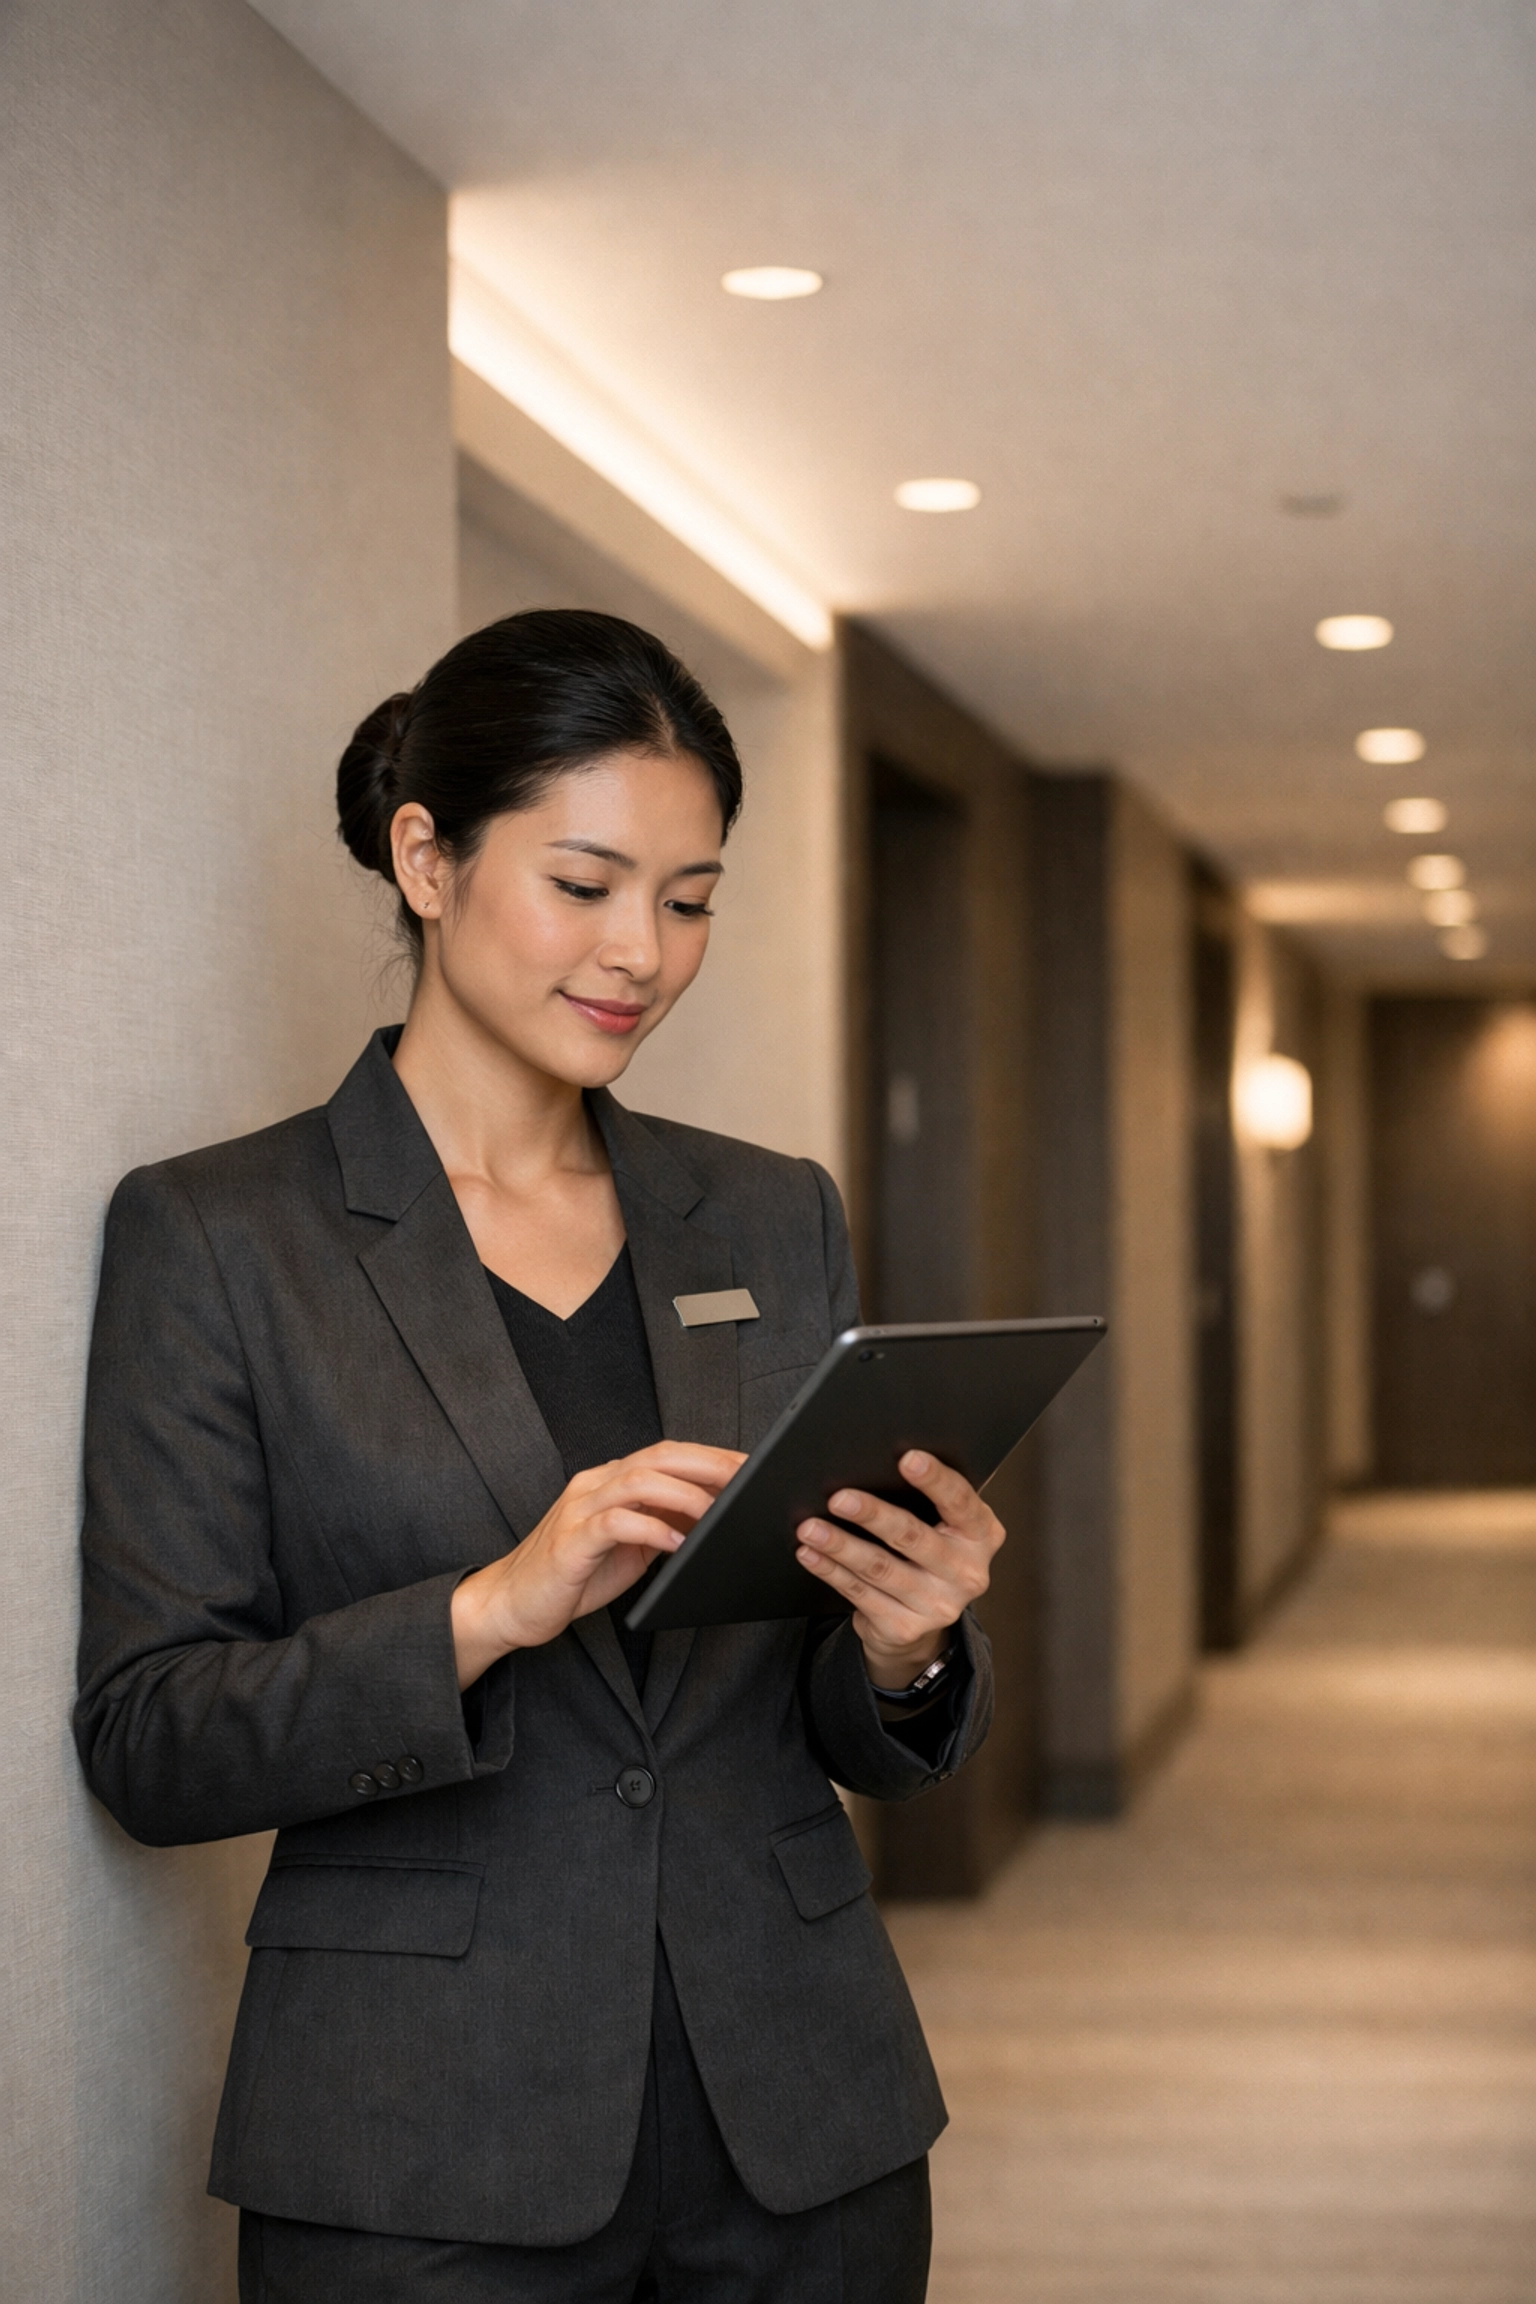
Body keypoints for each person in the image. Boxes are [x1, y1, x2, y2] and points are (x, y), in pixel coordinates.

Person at [74, 609, 1003, 2304]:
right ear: (425, 859)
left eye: (693, 896)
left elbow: (821, 1720)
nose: (642, 949)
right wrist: (492, 1606)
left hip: (804, 2131)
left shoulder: (773, 1209)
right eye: (585, 885)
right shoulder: (221, 1237)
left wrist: (908, 1644)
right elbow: (150, 1741)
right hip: (417, 2150)